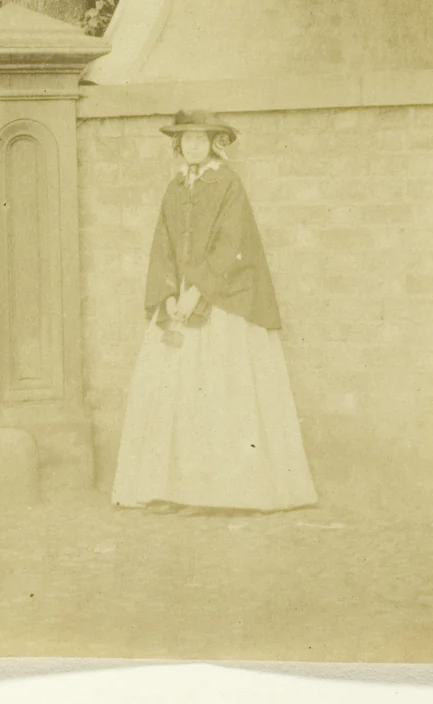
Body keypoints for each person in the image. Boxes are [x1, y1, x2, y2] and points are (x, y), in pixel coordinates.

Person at [112, 110, 318, 514]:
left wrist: (199, 290)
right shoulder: (175, 187)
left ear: (213, 143)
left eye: (200, 138)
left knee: (220, 390)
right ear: (178, 144)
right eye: (185, 139)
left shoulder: (227, 183)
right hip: (180, 300)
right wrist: (169, 294)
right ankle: (176, 489)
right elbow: (164, 244)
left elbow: (232, 241)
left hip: (223, 300)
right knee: (175, 393)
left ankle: (222, 493)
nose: (192, 145)